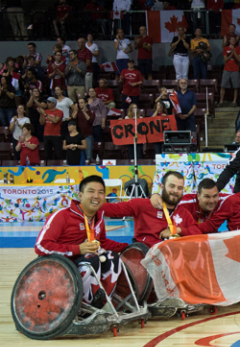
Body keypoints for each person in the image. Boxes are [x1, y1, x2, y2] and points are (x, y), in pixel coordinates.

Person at [35, 176, 130, 307]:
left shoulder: (98, 218)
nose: (96, 196)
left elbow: (102, 243)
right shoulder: (62, 216)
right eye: (91, 191)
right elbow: (41, 246)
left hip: (86, 263)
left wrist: (128, 247)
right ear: (80, 195)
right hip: (60, 269)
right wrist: (77, 249)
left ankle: (102, 302)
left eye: (101, 192)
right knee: (92, 258)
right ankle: (86, 306)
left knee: (112, 257)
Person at [102, 171, 200, 247]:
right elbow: (114, 209)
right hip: (145, 259)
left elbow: (197, 234)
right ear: (162, 187)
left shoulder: (183, 213)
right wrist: (90, 206)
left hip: (173, 261)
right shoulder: (143, 205)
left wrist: (178, 230)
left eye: (179, 188)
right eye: (171, 186)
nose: (175, 191)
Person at [220, 35, 240, 107]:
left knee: (235, 86)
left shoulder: (238, 49)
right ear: (229, 41)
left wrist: (234, 51)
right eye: (231, 39)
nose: (233, 41)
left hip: (235, 70)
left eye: (234, 40)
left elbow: (239, 59)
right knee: (223, 86)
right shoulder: (225, 48)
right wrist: (231, 54)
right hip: (226, 69)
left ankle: (234, 101)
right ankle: (221, 101)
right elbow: (225, 60)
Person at [71, 98, 94, 164]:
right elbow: (73, 119)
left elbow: (90, 121)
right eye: (79, 103)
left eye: (81, 103)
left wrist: (84, 112)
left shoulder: (91, 112)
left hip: (88, 136)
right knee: (80, 156)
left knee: (88, 156)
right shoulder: (77, 112)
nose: (80, 104)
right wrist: (76, 110)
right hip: (79, 137)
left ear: (86, 103)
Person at [42, 96, 64, 163]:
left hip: (56, 135)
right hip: (46, 134)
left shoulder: (59, 112)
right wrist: (41, 114)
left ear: (54, 103)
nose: (47, 103)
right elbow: (42, 122)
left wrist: (45, 115)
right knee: (47, 154)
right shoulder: (45, 111)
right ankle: (48, 167)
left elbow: (55, 121)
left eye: (49, 102)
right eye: (47, 102)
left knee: (58, 153)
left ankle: (59, 167)